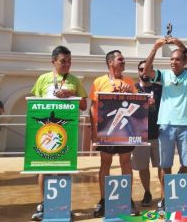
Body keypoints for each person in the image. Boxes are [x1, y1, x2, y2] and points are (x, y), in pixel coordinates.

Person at [143, 37, 187, 216]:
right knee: (165, 165)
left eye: (177, 59)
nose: (173, 62)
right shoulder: (164, 75)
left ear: (184, 62)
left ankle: (185, 199)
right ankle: (164, 199)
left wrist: (181, 46)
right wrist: (155, 47)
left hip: (186, 126)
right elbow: (146, 71)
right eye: (171, 59)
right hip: (166, 126)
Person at [30, 45, 87, 221]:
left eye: (69, 61)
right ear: (53, 61)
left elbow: (84, 105)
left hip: (66, 131)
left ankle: (62, 205)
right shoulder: (43, 79)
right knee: (44, 168)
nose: (67, 64)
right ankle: (44, 204)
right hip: (45, 131)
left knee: (64, 168)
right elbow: (34, 103)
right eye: (63, 61)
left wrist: (72, 93)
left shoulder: (75, 80)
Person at [90, 50, 139, 218]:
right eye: (120, 59)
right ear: (110, 62)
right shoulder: (99, 82)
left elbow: (137, 105)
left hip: (124, 130)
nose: (124, 61)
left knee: (126, 163)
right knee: (105, 163)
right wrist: (93, 130)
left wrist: (129, 94)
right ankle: (104, 200)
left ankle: (127, 199)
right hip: (106, 130)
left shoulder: (129, 81)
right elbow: (92, 106)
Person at [131, 60, 162, 207]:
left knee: (163, 166)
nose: (144, 72)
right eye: (141, 69)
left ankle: (164, 195)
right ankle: (147, 192)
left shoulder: (160, 88)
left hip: (159, 134)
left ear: (152, 71)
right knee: (143, 167)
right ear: (138, 71)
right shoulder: (133, 89)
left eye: (147, 69)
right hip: (139, 136)